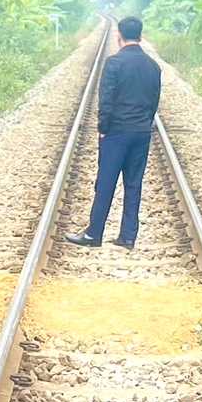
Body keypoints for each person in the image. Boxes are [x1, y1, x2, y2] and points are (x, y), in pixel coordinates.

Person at [66, 15, 162, 249]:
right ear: (141, 36)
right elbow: (154, 101)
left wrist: (103, 128)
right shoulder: (153, 66)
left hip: (117, 132)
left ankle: (93, 234)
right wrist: (144, 124)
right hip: (141, 132)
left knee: (106, 182)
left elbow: (105, 100)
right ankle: (128, 237)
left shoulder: (114, 63)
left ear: (119, 37)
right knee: (133, 184)